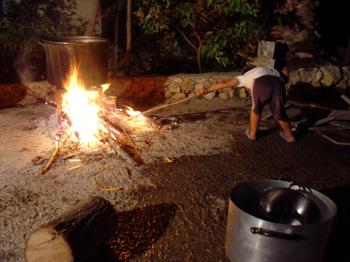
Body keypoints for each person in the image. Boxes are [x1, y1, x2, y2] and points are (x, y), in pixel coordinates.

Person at [196, 66, 295, 142]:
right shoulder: (267, 68)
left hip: (261, 83)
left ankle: (252, 134)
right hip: (278, 83)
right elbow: (285, 74)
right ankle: (289, 136)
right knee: (278, 110)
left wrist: (206, 90)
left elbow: (225, 83)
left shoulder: (244, 77)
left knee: (256, 108)